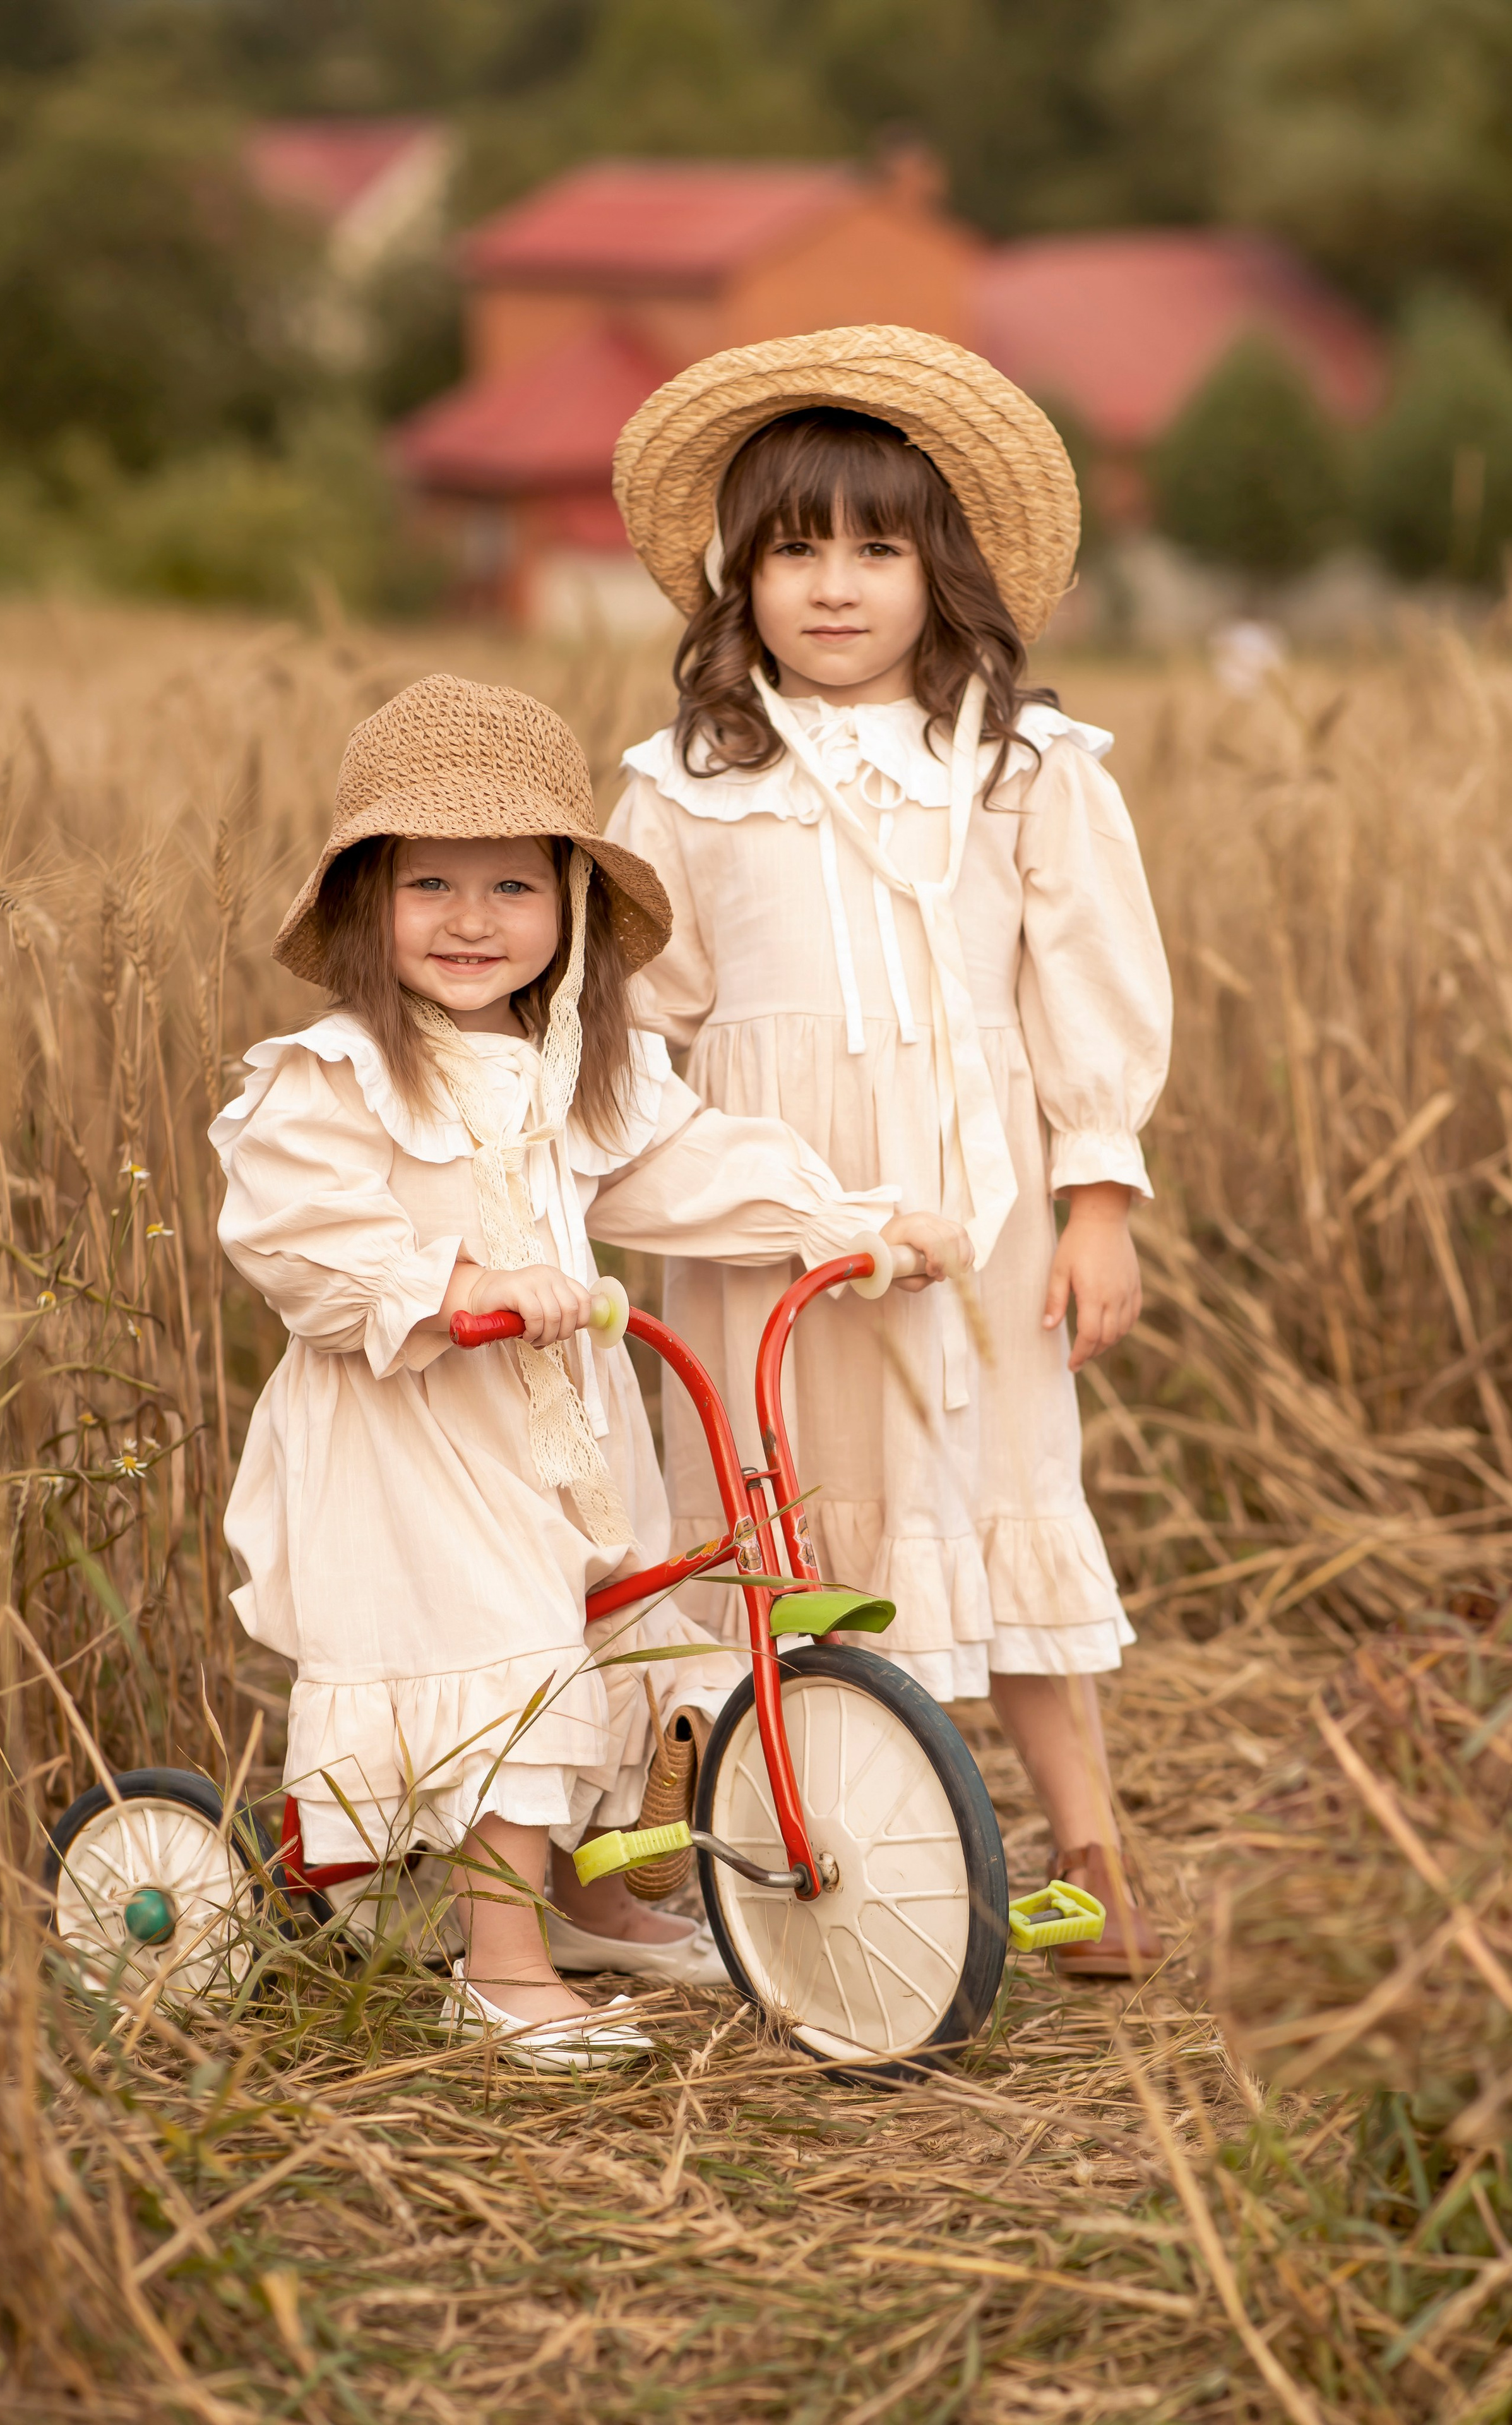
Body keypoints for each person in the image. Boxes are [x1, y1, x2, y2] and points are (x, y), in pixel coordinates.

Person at [213, 672, 967, 2069]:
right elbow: (297, 1234)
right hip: (416, 1425)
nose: (469, 921)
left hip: (561, 1418)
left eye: (511, 886)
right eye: (428, 883)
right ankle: (496, 1969)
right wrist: (461, 1286)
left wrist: (852, 1225)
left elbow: (690, 1167)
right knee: (504, 1648)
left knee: (615, 1622)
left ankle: (591, 1898)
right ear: (366, 902)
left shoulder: (570, 1065)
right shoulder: (330, 1075)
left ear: (566, 904)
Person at [605, 327, 1173, 1974]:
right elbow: (646, 1028)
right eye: (794, 552)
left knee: (1004, 1486)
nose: (834, 587)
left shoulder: (1024, 768)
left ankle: (1088, 1843)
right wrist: (688, 1191)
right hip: (772, 1211)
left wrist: (1098, 1200)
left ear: (946, 570)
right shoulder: (689, 788)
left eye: (877, 548)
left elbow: (1088, 995)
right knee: (787, 1512)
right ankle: (806, 1841)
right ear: (737, 578)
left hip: (976, 1216)